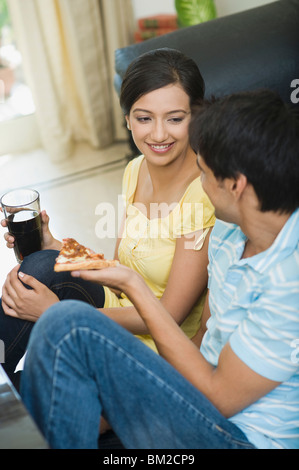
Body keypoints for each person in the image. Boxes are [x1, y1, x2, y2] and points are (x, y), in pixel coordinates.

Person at [20, 89, 299, 449]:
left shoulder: (288, 284)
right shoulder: (231, 232)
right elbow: (203, 337)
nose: (199, 182)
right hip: (196, 395)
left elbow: (218, 399)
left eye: (204, 172)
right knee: (48, 293)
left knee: (66, 324)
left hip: (238, 437)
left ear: (235, 185)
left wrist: (134, 286)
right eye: (143, 117)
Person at [0, 48, 215, 387]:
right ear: (127, 118)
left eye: (175, 118)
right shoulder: (135, 169)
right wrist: (54, 244)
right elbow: (120, 266)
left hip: (156, 342)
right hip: (119, 306)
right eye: (144, 118)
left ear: (196, 117)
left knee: (39, 340)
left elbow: (169, 316)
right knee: (39, 266)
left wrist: (61, 316)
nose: (158, 135)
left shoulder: (203, 195)